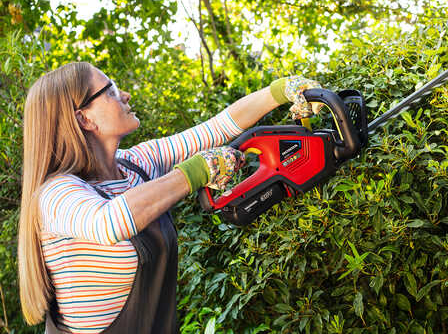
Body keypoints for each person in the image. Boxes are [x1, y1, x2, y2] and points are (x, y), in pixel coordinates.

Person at [17, 61, 321, 333]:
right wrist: (194, 172)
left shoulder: (136, 165)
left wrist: (281, 90)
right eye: (110, 91)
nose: (124, 96)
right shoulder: (55, 194)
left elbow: (216, 128)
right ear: (84, 119)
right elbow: (108, 222)